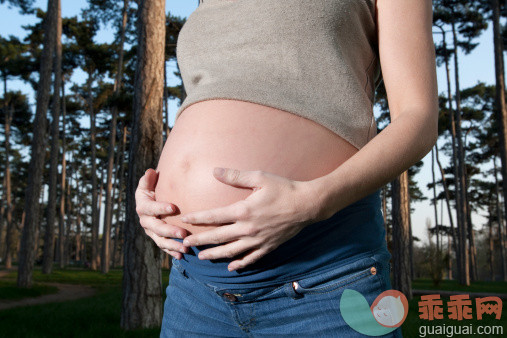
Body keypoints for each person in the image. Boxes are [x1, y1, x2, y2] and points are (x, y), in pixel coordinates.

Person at [135, 0, 438, 336]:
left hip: (323, 278)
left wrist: (312, 201)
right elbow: (213, 96)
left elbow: (419, 118)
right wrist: (158, 195)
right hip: (195, 289)